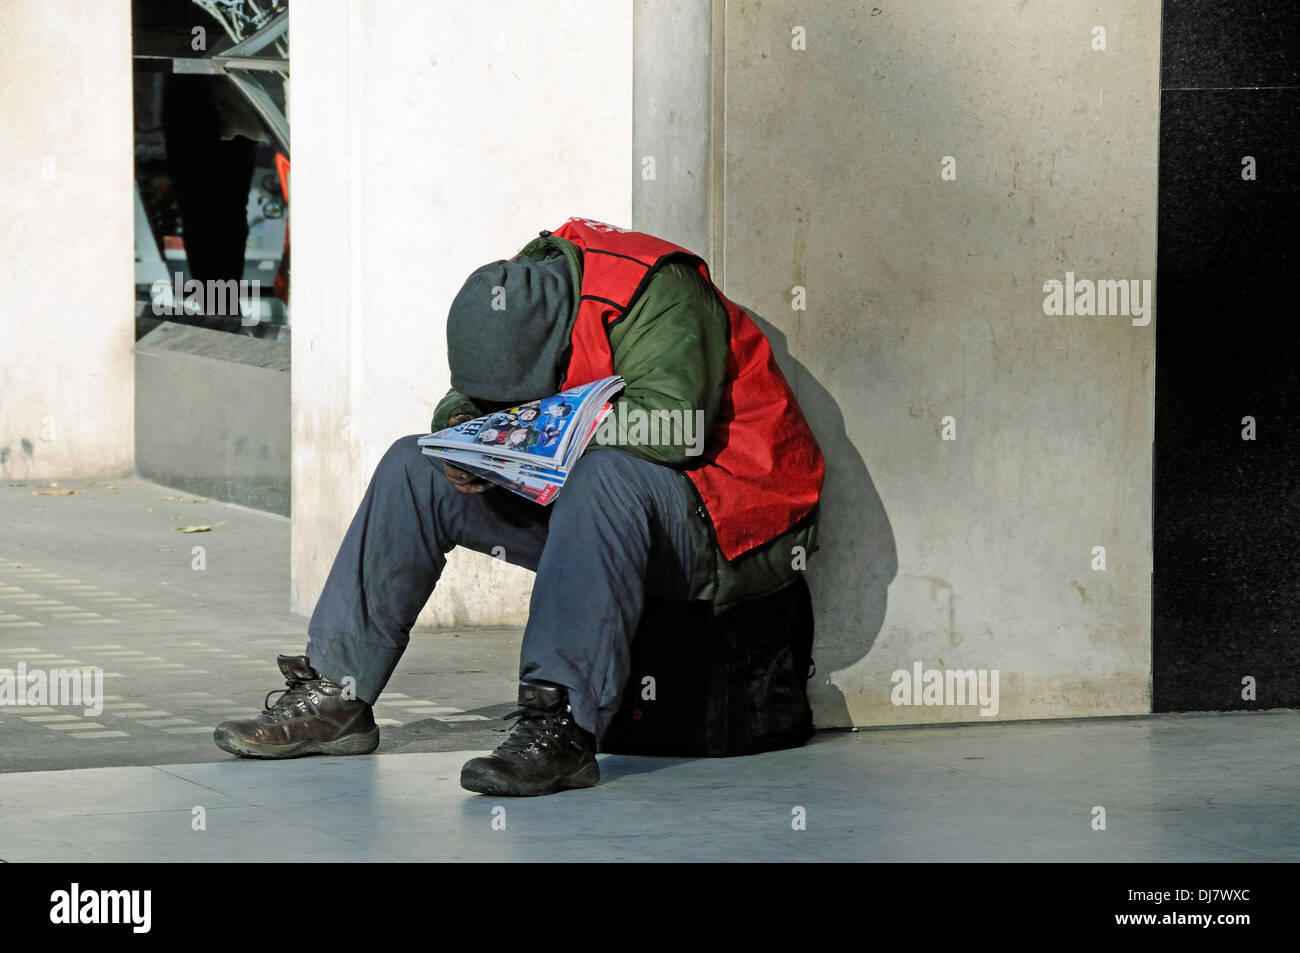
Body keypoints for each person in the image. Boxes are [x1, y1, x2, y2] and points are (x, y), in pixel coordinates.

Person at [213, 217, 826, 796]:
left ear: (557, 343)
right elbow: (472, 398)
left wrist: (538, 434)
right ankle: (336, 695)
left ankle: (558, 723)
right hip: (611, 515)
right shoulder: (521, 289)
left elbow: (677, 430)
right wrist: (465, 433)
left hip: (728, 526)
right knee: (414, 464)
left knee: (603, 477)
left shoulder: (659, 292)